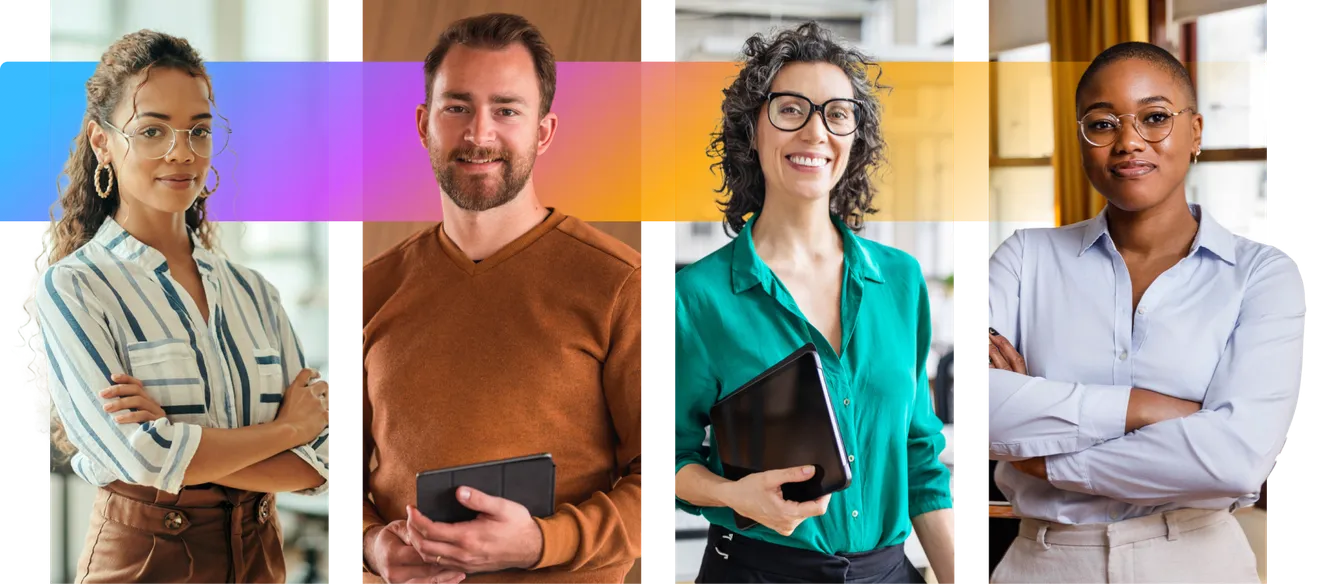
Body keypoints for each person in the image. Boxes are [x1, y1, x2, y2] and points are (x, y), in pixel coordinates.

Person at [20, 30, 331, 584]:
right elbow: (142, 460)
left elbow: (324, 462)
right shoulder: (75, 288)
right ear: (102, 143)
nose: (181, 151)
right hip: (146, 562)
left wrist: (183, 449)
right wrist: (287, 429)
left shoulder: (256, 292)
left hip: (261, 556)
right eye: (152, 130)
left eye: (199, 131)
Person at [984, 41, 1301, 583]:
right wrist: (1150, 408)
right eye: (1102, 124)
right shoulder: (1024, 258)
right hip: (1045, 563)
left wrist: (1047, 460)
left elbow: (1235, 459)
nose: (1129, 141)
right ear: (1081, 140)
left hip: (1197, 563)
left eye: (1155, 118)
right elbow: (985, 411)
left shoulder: (1262, 275)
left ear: (1196, 131)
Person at [358, 13, 644, 584]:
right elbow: (339, 474)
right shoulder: (371, 288)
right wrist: (370, 548)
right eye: (457, 107)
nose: (478, 134)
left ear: (544, 131)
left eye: (506, 110)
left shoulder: (619, 282)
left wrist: (541, 541)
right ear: (424, 123)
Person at [672, 22, 955, 584]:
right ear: (752, 130)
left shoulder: (900, 280)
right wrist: (735, 495)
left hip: (891, 573)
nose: (815, 131)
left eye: (837, 114)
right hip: (756, 572)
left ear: (854, 138)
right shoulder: (697, 298)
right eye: (791, 109)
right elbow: (665, 459)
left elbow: (919, 455)